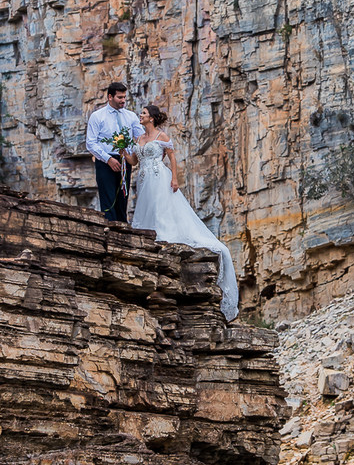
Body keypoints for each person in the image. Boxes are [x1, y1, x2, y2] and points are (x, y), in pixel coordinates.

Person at [125, 104, 239, 321]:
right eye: (141, 114)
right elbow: (133, 161)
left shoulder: (161, 135)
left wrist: (175, 178)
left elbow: (172, 157)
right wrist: (122, 150)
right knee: (147, 206)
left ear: (152, 118)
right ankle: (148, 234)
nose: (140, 116)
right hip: (144, 179)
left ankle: (163, 233)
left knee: (161, 207)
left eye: (144, 114)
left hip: (160, 177)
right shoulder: (138, 139)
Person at [85, 82, 143, 223]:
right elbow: (90, 143)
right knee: (108, 197)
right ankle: (109, 229)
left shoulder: (131, 116)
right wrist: (108, 159)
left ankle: (123, 227)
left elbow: (141, 138)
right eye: (119, 97)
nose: (123, 100)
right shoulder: (97, 116)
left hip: (125, 161)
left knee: (123, 197)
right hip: (105, 162)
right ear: (110, 97)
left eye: (124, 97)